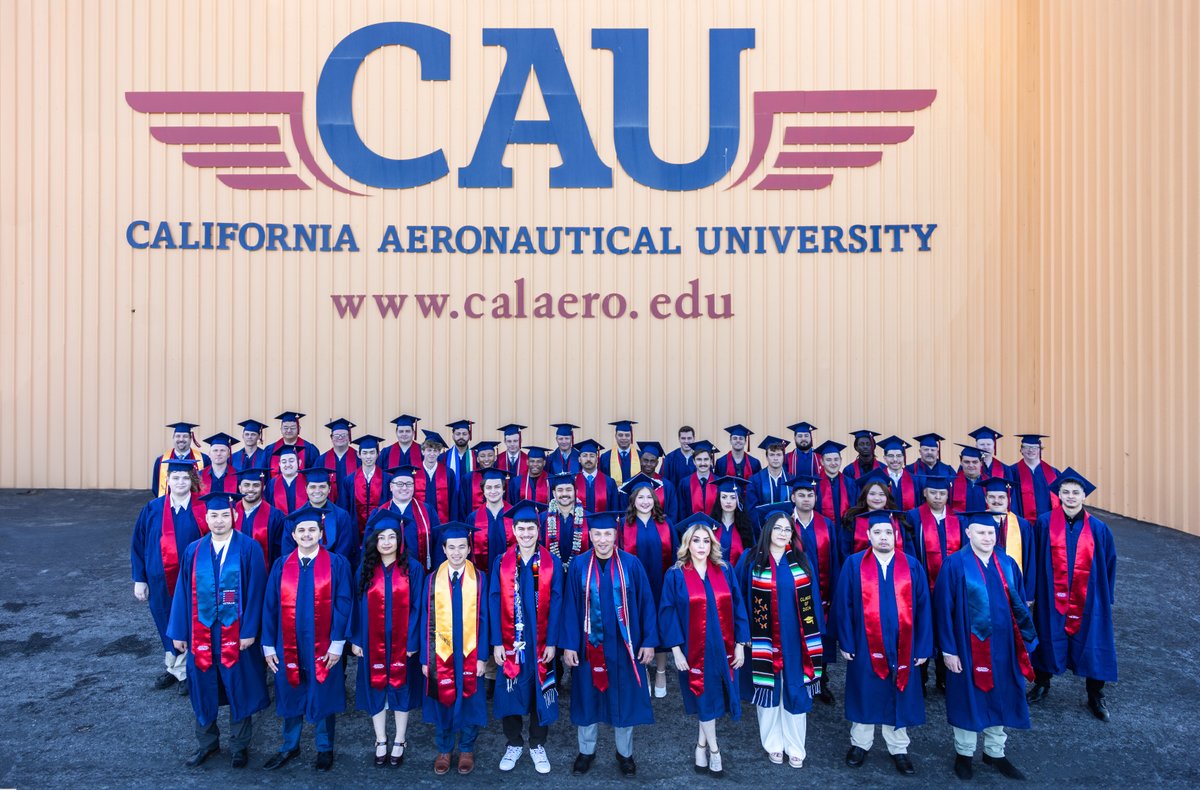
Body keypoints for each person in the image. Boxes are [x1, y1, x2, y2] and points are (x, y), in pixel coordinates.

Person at [166, 491, 270, 769]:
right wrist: (178, 632)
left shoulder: (249, 548)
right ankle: (207, 744)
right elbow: (182, 594)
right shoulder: (194, 550)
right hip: (201, 633)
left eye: (225, 514)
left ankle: (239, 746)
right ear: (206, 518)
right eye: (214, 515)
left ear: (234, 516)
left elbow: (258, 592)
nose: (220, 520)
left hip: (237, 634)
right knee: (203, 687)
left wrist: (249, 630)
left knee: (239, 686)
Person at [934, 514, 1037, 781]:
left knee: (1001, 695)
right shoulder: (955, 564)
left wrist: (1024, 643)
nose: (987, 538)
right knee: (969, 697)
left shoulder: (1007, 562)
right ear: (968, 533)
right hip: (968, 647)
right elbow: (944, 609)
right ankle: (964, 754)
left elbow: (1020, 607)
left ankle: (995, 752)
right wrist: (949, 650)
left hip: (1004, 647)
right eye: (981, 533)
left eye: (991, 533)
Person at [559, 511, 659, 777]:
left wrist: (648, 641)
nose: (602, 540)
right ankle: (586, 751)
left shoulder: (631, 564)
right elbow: (569, 607)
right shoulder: (579, 565)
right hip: (589, 646)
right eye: (597, 534)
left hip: (625, 646)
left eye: (607, 534)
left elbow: (646, 603)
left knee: (623, 697)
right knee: (587, 697)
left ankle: (624, 753)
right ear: (590, 535)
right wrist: (569, 645)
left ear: (616, 535)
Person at [836, 510, 933, 776]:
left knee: (898, 688)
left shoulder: (911, 565)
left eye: (888, 532)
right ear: (868, 535)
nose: (883, 537)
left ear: (896, 535)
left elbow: (924, 608)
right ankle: (860, 743)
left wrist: (923, 646)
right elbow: (844, 606)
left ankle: (898, 747)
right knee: (865, 689)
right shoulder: (854, 564)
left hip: (904, 642)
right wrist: (846, 641)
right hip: (865, 642)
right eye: (877, 532)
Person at [260, 506, 354, 771]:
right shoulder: (281, 565)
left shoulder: (336, 563)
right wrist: (268, 646)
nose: (307, 534)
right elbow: (269, 606)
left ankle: (325, 747)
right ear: (293, 534)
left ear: (321, 533)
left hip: (323, 643)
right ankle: (290, 745)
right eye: (301, 530)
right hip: (286, 642)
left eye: (312, 529)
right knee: (290, 691)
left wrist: (338, 644)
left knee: (322, 691)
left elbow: (343, 604)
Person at [736, 508, 826, 768]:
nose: (783, 533)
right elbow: (739, 599)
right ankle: (773, 743)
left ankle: (796, 745)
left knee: (795, 687)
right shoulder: (750, 560)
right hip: (762, 637)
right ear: (767, 530)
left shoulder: (801, 561)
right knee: (768, 688)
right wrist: (743, 635)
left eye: (787, 529)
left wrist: (815, 636)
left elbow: (814, 603)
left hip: (795, 637)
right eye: (778, 528)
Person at [659, 519, 749, 777]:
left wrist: (741, 645)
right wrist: (676, 650)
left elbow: (739, 607)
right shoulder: (675, 574)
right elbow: (668, 613)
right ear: (687, 544)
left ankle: (700, 746)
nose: (701, 545)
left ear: (713, 543)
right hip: (693, 649)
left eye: (706, 540)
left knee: (711, 698)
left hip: (724, 647)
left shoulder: (724, 569)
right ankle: (715, 750)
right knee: (705, 698)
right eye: (696, 540)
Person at [1026, 469, 1117, 721]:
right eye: (1065, 492)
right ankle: (1042, 683)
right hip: (1050, 594)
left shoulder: (1098, 528)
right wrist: (1032, 592)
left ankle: (1095, 694)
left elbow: (1109, 561)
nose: (1070, 496)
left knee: (1093, 641)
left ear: (1084, 496)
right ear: (1058, 495)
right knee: (1047, 635)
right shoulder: (1044, 523)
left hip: (1089, 597)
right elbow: (1034, 558)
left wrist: (1104, 595)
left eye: (1076, 492)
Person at [489, 501, 563, 774]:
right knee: (510, 688)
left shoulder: (551, 562)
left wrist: (553, 641)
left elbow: (557, 602)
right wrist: (497, 641)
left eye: (531, 528)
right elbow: (494, 600)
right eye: (521, 529)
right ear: (514, 530)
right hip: (512, 641)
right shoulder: (502, 561)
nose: (526, 533)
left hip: (541, 640)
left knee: (539, 689)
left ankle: (537, 744)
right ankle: (514, 742)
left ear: (538, 529)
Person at [350, 509, 425, 767]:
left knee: (401, 688)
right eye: (381, 537)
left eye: (391, 537)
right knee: (375, 687)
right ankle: (380, 738)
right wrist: (357, 638)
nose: (386, 542)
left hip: (402, 642)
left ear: (399, 539)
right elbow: (356, 605)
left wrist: (413, 641)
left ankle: (400, 739)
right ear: (375, 540)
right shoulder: (365, 568)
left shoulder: (413, 569)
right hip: (372, 642)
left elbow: (418, 607)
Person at [131, 457, 206, 695]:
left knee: (191, 622)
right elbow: (138, 544)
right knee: (165, 621)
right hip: (159, 578)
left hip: (194, 579)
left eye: (185, 477)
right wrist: (139, 579)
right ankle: (174, 667)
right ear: (168, 480)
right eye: (176, 478)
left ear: (192, 480)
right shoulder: (153, 509)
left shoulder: (202, 507)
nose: (181, 482)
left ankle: (187, 670)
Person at [421, 522, 491, 776]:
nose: (457, 552)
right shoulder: (432, 580)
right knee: (443, 697)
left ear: (469, 548)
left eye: (462, 547)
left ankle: (467, 748)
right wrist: (425, 657)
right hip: (441, 652)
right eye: (452, 547)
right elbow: (423, 619)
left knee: (470, 698)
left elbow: (485, 618)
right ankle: (444, 747)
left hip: (470, 653)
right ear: (443, 549)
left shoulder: (480, 578)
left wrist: (482, 656)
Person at [782, 475, 841, 705]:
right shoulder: (785, 524)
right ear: (792, 497)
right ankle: (797, 678)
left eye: (810, 495)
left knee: (820, 636)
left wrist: (833, 591)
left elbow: (834, 559)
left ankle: (820, 681)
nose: (806, 499)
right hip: (793, 594)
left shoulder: (826, 524)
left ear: (815, 498)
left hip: (823, 595)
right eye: (801, 495)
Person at [619, 473, 678, 698]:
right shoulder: (623, 525)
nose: (645, 501)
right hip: (633, 587)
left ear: (655, 499)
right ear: (633, 500)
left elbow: (674, 555)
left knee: (661, 627)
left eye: (649, 497)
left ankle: (661, 671)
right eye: (640, 497)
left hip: (660, 583)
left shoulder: (666, 524)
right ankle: (642, 669)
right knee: (637, 625)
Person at [903, 475, 963, 692]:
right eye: (933, 492)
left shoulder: (959, 519)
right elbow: (909, 552)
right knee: (922, 628)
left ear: (948, 495)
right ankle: (920, 678)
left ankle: (944, 677)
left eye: (942, 493)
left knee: (948, 627)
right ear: (925, 493)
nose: (938, 497)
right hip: (922, 586)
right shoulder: (913, 517)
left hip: (951, 588)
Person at [279, 468, 358, 567]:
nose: (317, 491)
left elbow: (343, 551)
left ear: (329, 489)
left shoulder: (342, 516)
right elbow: (288, 551)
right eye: (312, 487)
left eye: (322, 486)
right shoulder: (294, 518)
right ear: (306, 489)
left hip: (332, 570)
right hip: (300, 571)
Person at [377, 465, 441, 573]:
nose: (405, 488)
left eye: (409, 484)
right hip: (387, 577)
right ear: (391, 487)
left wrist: (435, 574)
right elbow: (370, 545)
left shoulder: (427, 511)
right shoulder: (380, 513)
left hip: (421, 572)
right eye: (400, 484)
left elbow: (438, 543)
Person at [976, 476, 1036, 579]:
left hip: (1014, 586)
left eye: (1001, 497)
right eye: (991, 497)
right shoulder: (976, 524)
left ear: (1009, 499)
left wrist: (1027, 594)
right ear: (986, 499)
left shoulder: (1023, 526)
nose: (996, 501)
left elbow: (1029, 563)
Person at [841, 470, 906, 556]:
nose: (877, 498)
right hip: (859, 568)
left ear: (887, 497)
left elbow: (908, 553)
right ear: (865, 495)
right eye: (872, 494)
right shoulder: (852, 521)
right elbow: (845, 552)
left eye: (882, 494)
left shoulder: (897, 520)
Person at [338, 434, 387, 541]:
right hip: (354, 533)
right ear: (358, 454)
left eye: (372, 452)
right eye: (364, 453)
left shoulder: (387, 479)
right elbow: (343, 508)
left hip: (381, 532)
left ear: (378, 454)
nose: (368, 456)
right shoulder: (349, 480)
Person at [234, 466, 285, 568]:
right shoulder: (230, 513)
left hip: (264, 575)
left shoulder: (276, 516)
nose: (251, 489)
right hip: (233, 575)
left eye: (256, 485)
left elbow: (279, 552)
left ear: (263, 487)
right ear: (240, 488)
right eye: (246, 485)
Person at [465, 467, 512, 572]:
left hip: (511, 575)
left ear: (503, 489)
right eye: (489, 487)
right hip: (483, 576)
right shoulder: (473, 518)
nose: (493, 491)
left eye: (497, 487)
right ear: (483, 490)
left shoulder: (514, 515)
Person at [1007, 434, 1061, 521]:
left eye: (1035, 447)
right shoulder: (1011, 472)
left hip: (1048, 523)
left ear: (1040, 450)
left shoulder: (1054, 473)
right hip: (1022, 523)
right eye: (1027, 447)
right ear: (1021, 450)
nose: (1031, 450)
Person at [541, 472, 590, 567]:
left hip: (580, 573)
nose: (564, 494)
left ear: (576, 491)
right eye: (560, 490)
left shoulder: (588, 518)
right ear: (554, 493)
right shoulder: (542, 519)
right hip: (551, 573)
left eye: (568, 490)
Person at [708, 477, 756, 567]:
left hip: (738, 577)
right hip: (714, 576)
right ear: (719, 499)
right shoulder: (711, 526)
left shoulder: (746, 528)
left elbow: (751, 557)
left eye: (733, 497)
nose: (728, 502)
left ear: (738, 501)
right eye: (724, 497)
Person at [151, 422, 208, 496]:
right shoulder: (161, 461)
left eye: (185, 436)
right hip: (168, 504)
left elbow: (207, 485)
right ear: (173, 438)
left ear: (191, 438)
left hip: (196, 505)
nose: (181, 439)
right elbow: (156, 487)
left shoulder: (204, 459)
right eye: (178, 436)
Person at [416, 430, 461, 523]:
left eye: (435, 450)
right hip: (419, 522)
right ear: (422, 451)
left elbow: (453, 500)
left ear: (439, 452)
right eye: (429, 450)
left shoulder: (448, 473)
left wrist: (452, 523)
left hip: (443, 522)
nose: (432, 454)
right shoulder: (414, 472)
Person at [745, 435, 792, 522]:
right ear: (766, 457)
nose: (775, 458)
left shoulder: (791, 480)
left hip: (787, 527)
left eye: (778, 455)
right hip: (763, 528)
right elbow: (752, 511)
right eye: (772, 454)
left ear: (783, 457)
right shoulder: (754, 480)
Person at [627, 440, 677, 522]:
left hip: (661, 530)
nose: (648, 464)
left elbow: (673, 514)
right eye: (645, 460)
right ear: (640, 460)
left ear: (657, 463)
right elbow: (626, 512)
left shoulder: (667, 486)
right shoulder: (630, 484)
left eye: (652, 461)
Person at [815, 440, 858, 522]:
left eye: (836, 459)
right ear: (822, 462)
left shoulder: (850, 483)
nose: (833, 463)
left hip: (845, 528)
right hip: (822, 529)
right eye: (828, 460)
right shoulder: (814, 483)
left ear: (841, 460)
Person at [676, 440, 719, 518]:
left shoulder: (718, 483)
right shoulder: (684, 483)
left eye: (706, 459)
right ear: (694, 462)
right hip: (691, 527)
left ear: (711, 461)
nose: (702, 463)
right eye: (699, 459)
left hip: (714, 527)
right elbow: (681, 511)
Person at [320, 418, 359, 506]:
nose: (340, 438)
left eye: (344, 435)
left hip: (354, 506)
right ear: (331, 437)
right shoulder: (321, 460)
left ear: (349, 436)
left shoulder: (359, 458)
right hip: (329, 506)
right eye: (337, 435)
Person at [879, 435, 922, 511]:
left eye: (899, 456)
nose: (895, 459)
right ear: (885, 458)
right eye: (890, 456)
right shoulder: (879, 479)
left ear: (903, 457)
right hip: (885, 521)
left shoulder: (914, 480)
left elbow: (918, 506)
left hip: (908, 521)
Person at [574, 439, 618, 511]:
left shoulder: (610, 482)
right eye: (584, 456)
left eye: (592, 456)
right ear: (579, 459)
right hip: (578, 522)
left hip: (603, 521)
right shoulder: (572, 481)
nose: (588, 459)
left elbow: (614, 511)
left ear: (597, 459)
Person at [460, 440, 500, 514]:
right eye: (482, 456)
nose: (486, 459)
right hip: (473, 522)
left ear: (495, 458)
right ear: (478, 459)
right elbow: (462, 505)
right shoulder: (468, 478)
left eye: (490, 455)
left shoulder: (501, 477)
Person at [266, 446, 307, 515]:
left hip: (303, 523)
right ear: (279, 464)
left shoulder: (307, 481)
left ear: (299, 462)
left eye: (291, 461)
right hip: (278, 524)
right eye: (284, 462)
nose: (287, 465)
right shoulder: (272, 483)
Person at [949, 445, 988, 513]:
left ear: (981, 463)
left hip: (984, 522)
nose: (971, 465)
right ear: (961, 462)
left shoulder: (989, 483)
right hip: (960, 522)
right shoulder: (952, 483)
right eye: (967, 462)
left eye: (975, 462)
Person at [599, 419, 638, 487]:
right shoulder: (605, 457)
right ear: (615, 436)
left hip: (634, 495)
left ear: (631, 436)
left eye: (627, 435)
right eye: (620, 435)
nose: (624, 438)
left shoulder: (640, 456)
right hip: (613, 496)